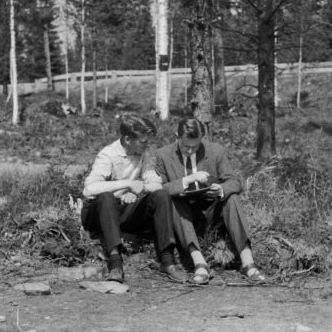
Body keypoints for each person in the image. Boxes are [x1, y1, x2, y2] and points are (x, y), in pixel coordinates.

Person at [154, 118, 266, 285]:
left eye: (195, 146)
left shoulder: (215, 151)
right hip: (183, 213)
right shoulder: (163, 155)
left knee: (232, 198)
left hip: (211, 208)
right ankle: (199, 262)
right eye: (186, 146)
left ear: (202, 139)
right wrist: (186, 181)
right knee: (173, 201)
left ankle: (248, 262)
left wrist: (220, 189)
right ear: (177, 136)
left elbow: (234, 182)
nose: (190, 150)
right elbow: (159, 189)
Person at [81, 114, 187, 284]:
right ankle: (115, 264)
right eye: (143, 141)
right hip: (97, 214)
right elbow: (89, 189)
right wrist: (127, 185)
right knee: (107, 197)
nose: (146, 145)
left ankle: (168, 262)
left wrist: (140, 191)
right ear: (127, 139)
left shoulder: (141, 154)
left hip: (123, 211)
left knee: (161, 195)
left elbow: (153, 181)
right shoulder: (107, 155)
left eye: (147, 142)